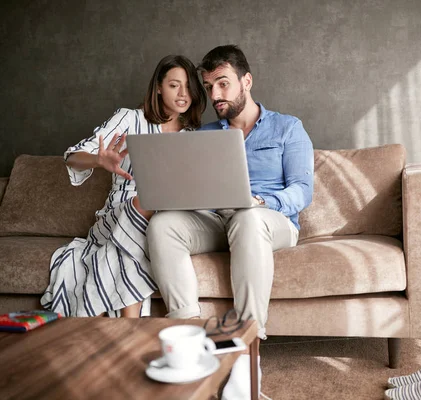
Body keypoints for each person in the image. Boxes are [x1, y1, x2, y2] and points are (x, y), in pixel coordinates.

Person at [146, 45, 314, 399]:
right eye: (209, 88)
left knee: (248, 219)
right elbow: (185, 188)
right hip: (217, 220)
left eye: (223, 84)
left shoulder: (287, 127)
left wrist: (260, 201)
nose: (215, 95)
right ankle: (188, 334)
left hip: (271, 221)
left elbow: (302, 191)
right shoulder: (204, 135)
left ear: (246, 81)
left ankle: (245, 350)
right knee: (164, 225)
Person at [41, 55, 207, 318]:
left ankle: (120, 327)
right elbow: (73, 156)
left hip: (166, 214)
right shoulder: (129, 119)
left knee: (160, 221)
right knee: (145, 207)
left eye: (189, 86)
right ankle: (129, 323)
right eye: (175, 85)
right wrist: (98, 159)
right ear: (159, 88)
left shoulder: (193, 136)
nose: (183, 93)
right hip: (119, 213)